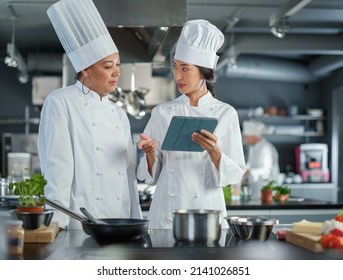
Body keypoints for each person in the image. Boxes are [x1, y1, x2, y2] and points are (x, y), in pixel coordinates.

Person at [38, 0, 142, 229]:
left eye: (118, 64)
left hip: (120, 225)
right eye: (107, 66)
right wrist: (56, 228)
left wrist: (136, 223)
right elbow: (58, 172)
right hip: (81, 226)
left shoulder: (119, 114)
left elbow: (129, 178)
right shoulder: (60, 102)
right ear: (85, 69)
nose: (117, 72)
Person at [137, 19, 246, 229]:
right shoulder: (162, 112)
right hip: (167, 214)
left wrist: (215, 153)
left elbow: (235, 173)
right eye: (175, 67)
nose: (178, 75)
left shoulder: (225, 114)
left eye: (185, 69)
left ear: (203, 72)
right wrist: (150, 155)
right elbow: (150, 177)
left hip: (207, 210)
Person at [242, 120, 280, 199]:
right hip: (256, 190)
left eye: (246, 136)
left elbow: (267, 170)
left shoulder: (266, 148)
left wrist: (250, 172)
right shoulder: (253, 147)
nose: (244, 138)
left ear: (254, 135)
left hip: (268, 191)